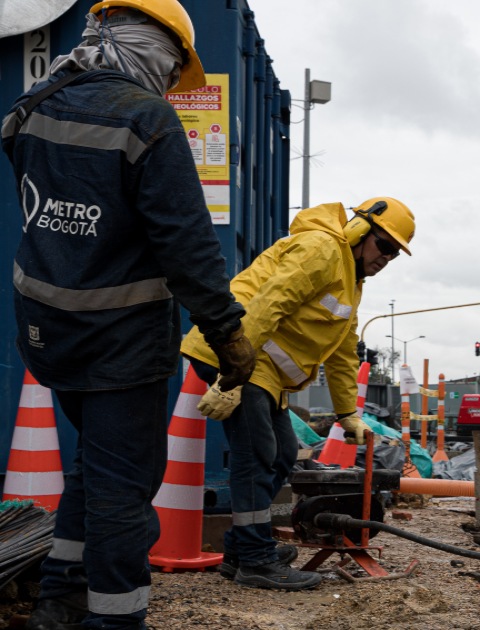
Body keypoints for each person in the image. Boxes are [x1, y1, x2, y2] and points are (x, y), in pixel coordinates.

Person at [2, 2, 255, 628]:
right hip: (122, 344)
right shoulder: (148, 120)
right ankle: (115, 618)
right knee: (124, 491)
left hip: (48, 333)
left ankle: (60, 598)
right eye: (172, 70)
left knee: (96, 466)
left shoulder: (32, 106)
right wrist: (228, 335)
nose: (171, 83)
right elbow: (189, 250)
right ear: (153, 49)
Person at [181, 197, 416, 591]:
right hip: (236, 355)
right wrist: (232, 376)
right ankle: (256, 560)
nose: (386, 258)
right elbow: (265, 305)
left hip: (261, 369)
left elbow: (343, 350)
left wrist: (347, 414)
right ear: (360, 230)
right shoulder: (322, 250)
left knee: (283, 455)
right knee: (257, 457)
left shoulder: (350, 282)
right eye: (385, 245)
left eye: (394, 254)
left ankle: (242, 549)